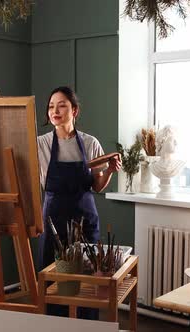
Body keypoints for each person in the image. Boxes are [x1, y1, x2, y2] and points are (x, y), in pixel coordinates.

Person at [37, 86, 121, 318]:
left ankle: (86, 324)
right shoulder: (40, 144)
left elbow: (97, 185)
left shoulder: (90, 143)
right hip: (52, 218)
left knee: (87, 275)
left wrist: (111, 171)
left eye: (62, 105)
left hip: (85, 218)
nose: (55, 110)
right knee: (53, 276)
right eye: (51, 106)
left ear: (74, 111)